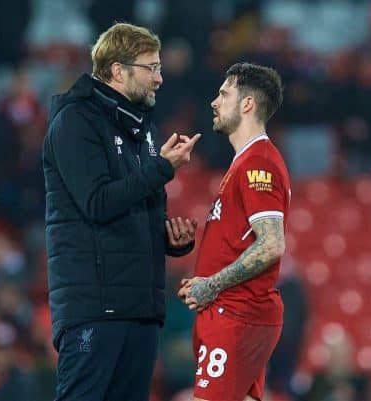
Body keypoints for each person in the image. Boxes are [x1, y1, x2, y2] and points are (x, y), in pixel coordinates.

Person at [42, 22, 201, 401]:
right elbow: (97, 203)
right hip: (95, 308)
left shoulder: (143, 130)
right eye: (152, 68)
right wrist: (161, 169)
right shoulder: (75, 122)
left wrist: (167, 238)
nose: (160, 79)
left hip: (139, 307)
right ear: (118, 70)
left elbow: (131, 206)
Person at [178, 62, 289, 401]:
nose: (214, 102)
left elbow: (272, 244)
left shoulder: (259, 163)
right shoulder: (245, 161)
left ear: (247, 104)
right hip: (230, 312)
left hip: (236, 313)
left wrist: (212, 284)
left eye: (224, 94)